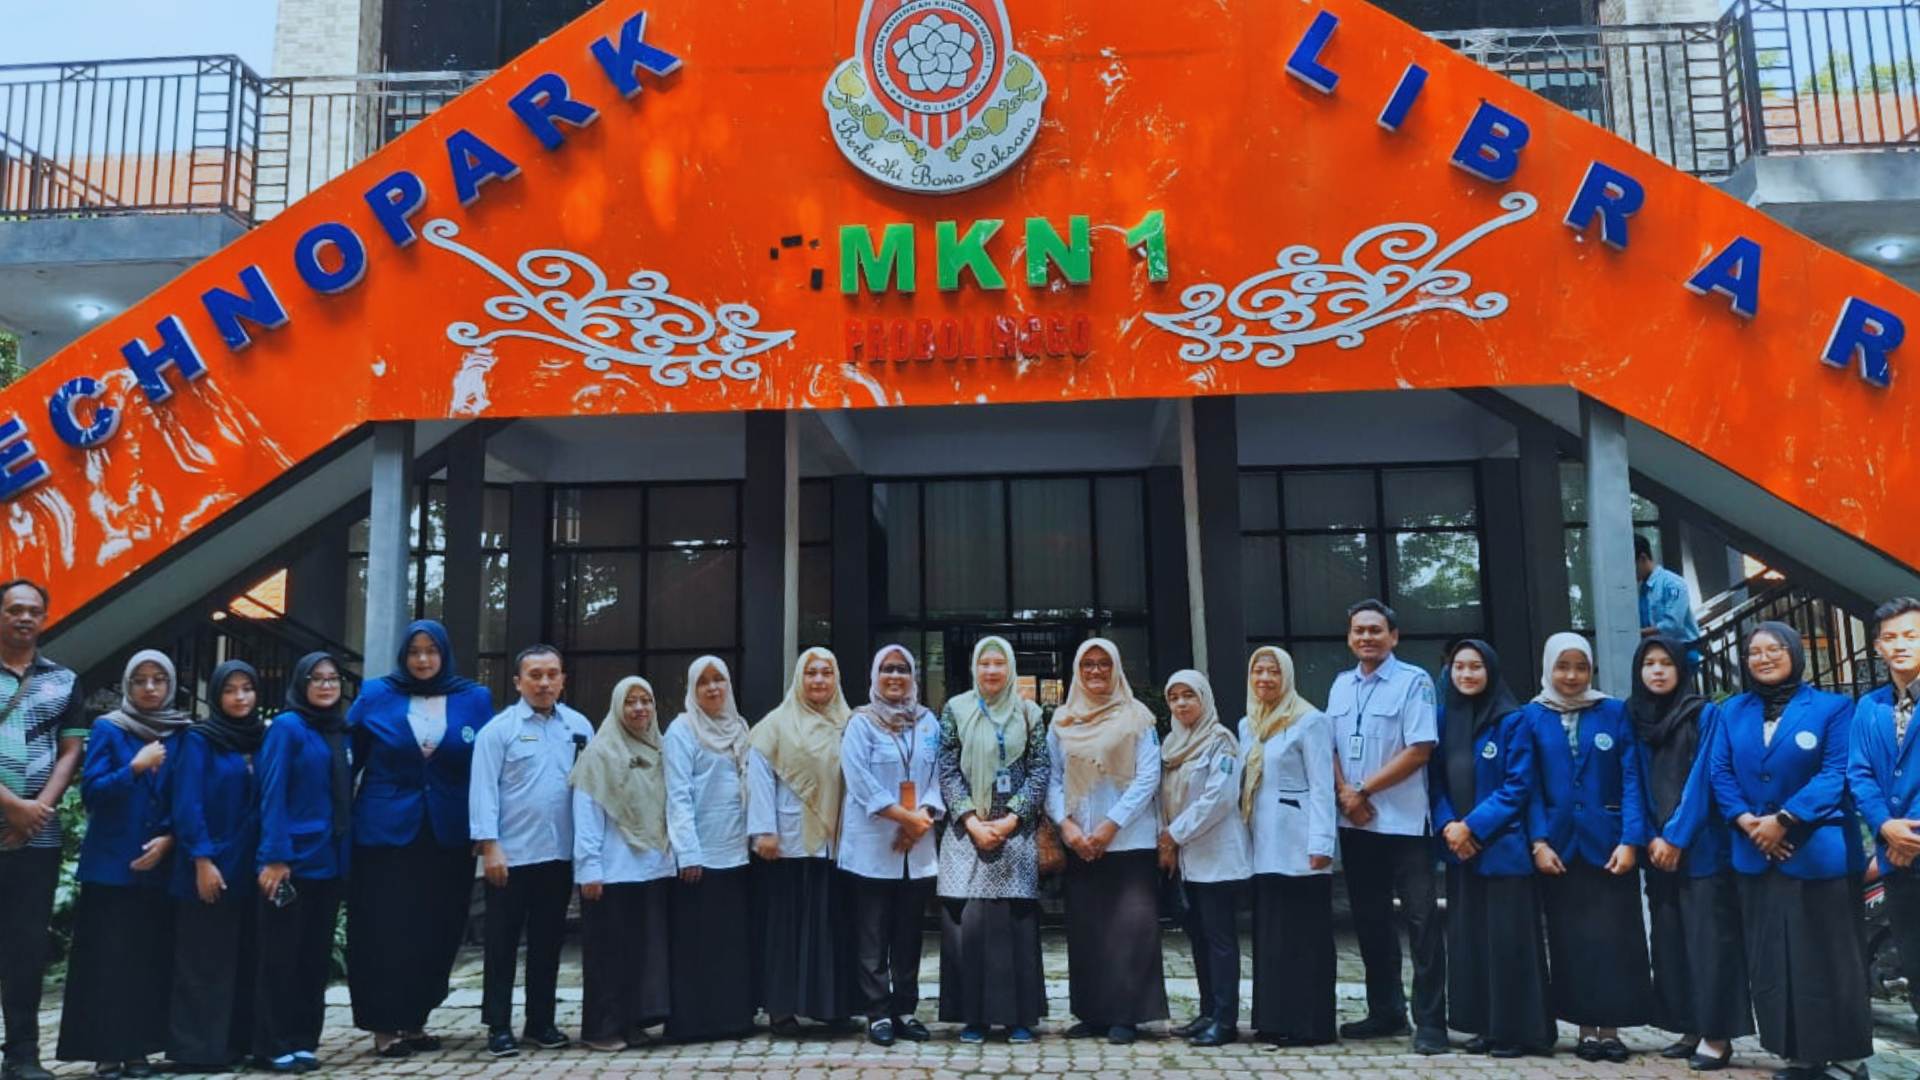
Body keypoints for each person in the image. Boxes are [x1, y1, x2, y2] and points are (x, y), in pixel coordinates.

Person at [1710, 622, 1871, 1080]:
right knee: (1776, 961)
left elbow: (1836, 772)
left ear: (1795, 653)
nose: (1764, 658)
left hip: (1817, 853)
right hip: (1755, 853)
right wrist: (1748, 822)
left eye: (1774, 649)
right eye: (1754, 652)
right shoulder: (1732, 711)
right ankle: (1799, 1055)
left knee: (1830, 959)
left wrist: (1784, 820)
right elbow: (1720, 772)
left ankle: (1848, 1059)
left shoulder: (1833, 708)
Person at [346, 620, 491, 1059]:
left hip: (447, 834)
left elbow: (487, 768)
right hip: (384, 833)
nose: (423, 659)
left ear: (444, 654)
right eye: (414, 651)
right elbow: (347, 760)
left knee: (437, 928)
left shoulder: (474, 698)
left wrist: (487, 830)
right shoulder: (376, 694)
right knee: (385, 928)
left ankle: (414, 1020)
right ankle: (383, 1024)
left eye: (431, 650)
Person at [57, 649, 190, 1077]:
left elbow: (187, 796)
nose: (150, 688)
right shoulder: (109, 728)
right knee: (108, 961)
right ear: (128, 686)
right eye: (140, 680)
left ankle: (139, 1050)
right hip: (112, 868)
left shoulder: (181, 733)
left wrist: (170, 839)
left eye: (158, 679)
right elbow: (92, 793)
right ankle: (107, 1051)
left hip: (159, 866)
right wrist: (134, 767)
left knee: (148, 960)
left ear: (171, 684)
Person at [1522, 632, 1651, 1061]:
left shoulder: (1613, 711)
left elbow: (1632, 778)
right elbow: (1529, 786)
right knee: (1570, 940)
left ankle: (1610, 1030)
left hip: (1609, 845)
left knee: (1615, 939)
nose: (1572, 675)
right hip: (1559, 847)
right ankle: (1584, 1031)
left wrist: (1631, 840)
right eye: (1563, 666)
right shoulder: (1531, 716)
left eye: (1581, 667)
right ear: (1548, 667)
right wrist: (1538, 841)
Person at [1325, 600, 1443, 1053]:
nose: (1366, 638)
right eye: (1359, 630)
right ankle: (1386, 1011)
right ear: (1349, 637)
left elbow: (1420, 749)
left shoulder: (1414, 682)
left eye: (1375, 630)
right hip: (1356, 823)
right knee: (1370, 920)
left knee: (1421, 922)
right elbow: (1330, 747)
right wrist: (1345, 794)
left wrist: (1362, 791)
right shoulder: (1340, 685)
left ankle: (1430, 1021)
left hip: (1404, 822)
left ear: (1393, 636)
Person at [1428, 639, 1553, 1059]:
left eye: (1475, 667)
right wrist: (1449, 825)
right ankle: (1484, 1025)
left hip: (1502, 849)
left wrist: (1471, 827)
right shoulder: (1444, 719)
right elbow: (1435, 782)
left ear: (1491, 671)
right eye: (1459, 667)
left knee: (1507, 942)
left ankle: (1517, 1031)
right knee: (1472, 942)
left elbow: (1518, 785)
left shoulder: (1513, 720)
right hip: (1460, 851)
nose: (1466, 674)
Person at [469, 645, 591, 1058]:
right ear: (518, 682)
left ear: (563, 680)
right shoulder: (497, 731)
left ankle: (541, 1022)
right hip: (511, 857)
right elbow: (483, 791)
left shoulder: (578, 727)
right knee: (501, 944)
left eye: (552, 674)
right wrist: (490, 847)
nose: (544, 682)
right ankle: (498, 1025)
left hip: (558, 855)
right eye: (535, 675)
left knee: (548, 942)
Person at [1638, 636, 1752, 1071]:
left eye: (1666, 663)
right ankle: (1689, 1025)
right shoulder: (1637, 716)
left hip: (1701, 848)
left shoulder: (1705, 714)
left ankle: (1716, 1035)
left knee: (1710, 944)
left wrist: (1676, 837)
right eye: (1649, 663)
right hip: (1656, 851)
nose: (1658, 671)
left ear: (1681, 669)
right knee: (1671, 942)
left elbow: (1704, 779)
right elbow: (1633, 779)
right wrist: (1650, 836)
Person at [1048, 637, 1167, 1045]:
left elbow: (1149, 777)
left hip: (1128, 840)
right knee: (1088, 931)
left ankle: (1127, 1014)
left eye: (1103, 663)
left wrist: (1111, 825)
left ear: (1116, 668)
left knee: (1130, 931)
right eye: (1088, 664)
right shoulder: (1063, 719)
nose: (1096, 671)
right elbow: (1053, 777)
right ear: (1077, 671)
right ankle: (1093, 1012)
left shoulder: (1138, 717)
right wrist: (1066, 826)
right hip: (1080, 839)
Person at [935, 635, 1049, 1045]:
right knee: (970, 926)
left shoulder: (1029, 713)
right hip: (967, 835)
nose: (992, 670)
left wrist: (1011, 819)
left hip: (1014, 834)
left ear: (1010, 668)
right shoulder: (956, 710)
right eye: (984, 663)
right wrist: (971, 820)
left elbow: (1040, 768)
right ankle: (974, 1018)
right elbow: (946, 767)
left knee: (1014, 925)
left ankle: (1019, 1017)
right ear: (974, 668)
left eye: (999, 663)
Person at [0, 580, 88, 1080]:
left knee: (25, 947)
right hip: (16, 816)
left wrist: (37, 810)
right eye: (14, 609)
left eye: (33, 611)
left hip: (37, 837)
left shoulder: (64, 680)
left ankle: (22, 1055)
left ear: (45, 619)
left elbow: (71, 750)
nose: (24, 618)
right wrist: (11, 805)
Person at [839, 645, 945, 1047]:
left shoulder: (928, 722)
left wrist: (921, 819)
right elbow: (858, 779)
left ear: (913, 676)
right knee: (872, 935)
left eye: (902, 669)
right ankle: (878, 1013)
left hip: (916, 846)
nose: (895, 676)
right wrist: (904, 818)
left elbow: (939, 775)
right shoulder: (861, 724)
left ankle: (905, 1010)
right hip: (873, 845)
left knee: (908, 935)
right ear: (874, 676)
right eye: (887, 669)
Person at [747, 646, 856, 1036]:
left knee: (832, 927)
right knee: (787, 930)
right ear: (799, 678)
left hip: (837, 843)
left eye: (826, 672)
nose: (819, 680)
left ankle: (831, 1007)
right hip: (789, 844)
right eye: (811, 673)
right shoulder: (775, 725)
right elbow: (759, 776)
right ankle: (782, 1009)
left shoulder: (850, 723)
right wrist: (764, 830)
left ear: (836, 677)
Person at [253, 651, 353, 1074]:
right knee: (281, 956)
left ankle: (303, 1039)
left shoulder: (339, 730)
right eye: (317, 678)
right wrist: (275, 856)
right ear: (301, 683)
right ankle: (271, 1042)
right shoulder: (288, 727)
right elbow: (272, 791)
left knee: (314, 956)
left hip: (330, 861)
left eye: (333, 679)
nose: (326, 686)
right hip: (292, 861)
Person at [165, 660, 264, 1072]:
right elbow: (188, 803)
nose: (240, 697)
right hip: (209, 862)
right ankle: (197, 1051)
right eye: (230, 690)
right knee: (203, 958)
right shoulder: (199, 740)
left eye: (247, 688)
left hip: (251, 863)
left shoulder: (262, 738)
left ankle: (236, 1043)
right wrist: (202, 860)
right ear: (216, 695)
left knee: (244, 955)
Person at [1239, 645, 1337, 1048]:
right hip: (1263, 845)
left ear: (1287, 676)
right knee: (1271, 936)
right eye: (1258, 671)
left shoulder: (1310, 721)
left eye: (1273, 671)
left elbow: (1322, 786)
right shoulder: (1249, 724)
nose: (1264, 678)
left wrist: (1322, 843)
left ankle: (1308, 1024)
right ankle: (1273, 1018)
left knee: (1304, 937)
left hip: (1300, 845)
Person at [571, 676, 673, 1051]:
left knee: (638, 955)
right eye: (630, 702)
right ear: (617, 707)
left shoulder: (659, 749)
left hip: (651, 868)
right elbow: (586, 815)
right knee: (607, 955)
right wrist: (589, 869)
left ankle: (631, 1023)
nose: (639, 708)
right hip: (611, 872)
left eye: (646, 700)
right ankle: (600, 1029)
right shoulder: (599, 754)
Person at [662, 656, 756, 1042]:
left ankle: (734, 1018)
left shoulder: (740, 727)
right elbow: (678, 795)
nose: (713, 687)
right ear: (692, 688)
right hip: (700, 855)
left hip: (738, 851)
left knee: (731, 942)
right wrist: (688, 852)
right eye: (704, 681)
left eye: (720, 679)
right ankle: (694, 1022)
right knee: (697, 943)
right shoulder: (682, 730)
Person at [1159, 669, 1250, 1048]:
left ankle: (1225, 1020)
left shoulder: (1220, 741)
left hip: (1216, 856)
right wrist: (1168, 840)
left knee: (1219, 939)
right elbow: (1163, 798)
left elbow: (1219, 798)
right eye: (1174, 697)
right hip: (1185, 858)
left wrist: (1174, 834)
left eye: (1189, 696)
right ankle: (1207, 1011)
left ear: (1204, 698)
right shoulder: (1170, 744)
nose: (1181, 704)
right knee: (1198, 937)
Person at [1852, 597, 1920, 1034]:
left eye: (1911, 636)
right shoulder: (1869, 707)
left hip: (1908, 843)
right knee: (1916, 962)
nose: (1900, 645)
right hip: (1897, 857)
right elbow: (1858, 773)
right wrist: (1885, 825)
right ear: (1877, 647)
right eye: (1890, 638)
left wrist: (1909, 832)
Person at [1636, 536, 1703, 647]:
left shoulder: (1672, 583)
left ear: (1643, 558)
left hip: (1683, 649)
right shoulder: (1643, 588)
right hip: (1656, 648)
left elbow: (1673, 625)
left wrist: (1638, 633)